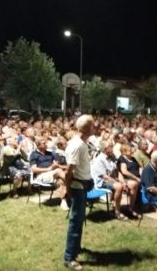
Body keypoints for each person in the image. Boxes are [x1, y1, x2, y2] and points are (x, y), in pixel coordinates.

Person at [64, 115, 95, 270]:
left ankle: (76, 248)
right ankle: (69, 257)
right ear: (86, 128)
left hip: (82, 185)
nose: (95, 128)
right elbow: (69, 171)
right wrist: (67, 188)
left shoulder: (82, 143)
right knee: (75, 221)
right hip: (77, 187)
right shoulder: (77, 145)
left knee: (79, 219)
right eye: (93, 125)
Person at [91, 141, 129, 220]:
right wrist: (118, 183)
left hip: (112, 179)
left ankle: (129, 208)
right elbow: (105, 177)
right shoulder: (99, 159)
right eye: (110, 146)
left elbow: (117, 172)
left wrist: (123, 182)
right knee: (119, 186)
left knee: (130, 184)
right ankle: (117, 212)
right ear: (105, 149)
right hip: (101, 182)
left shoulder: (112, 157)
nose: (112, 148)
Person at [30, 138, 69, 210]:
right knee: (59, 171)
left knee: (61, 180)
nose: (46, 144)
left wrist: (55, 165)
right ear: (38, 146)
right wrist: (48, 169)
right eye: (44, 143)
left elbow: (56, 163)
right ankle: (73, 183)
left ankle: (64, 202)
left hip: (52, 173)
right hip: (41, 175)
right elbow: (34, 169)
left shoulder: (50, 153)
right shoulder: (34, 154)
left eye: (46, 143)